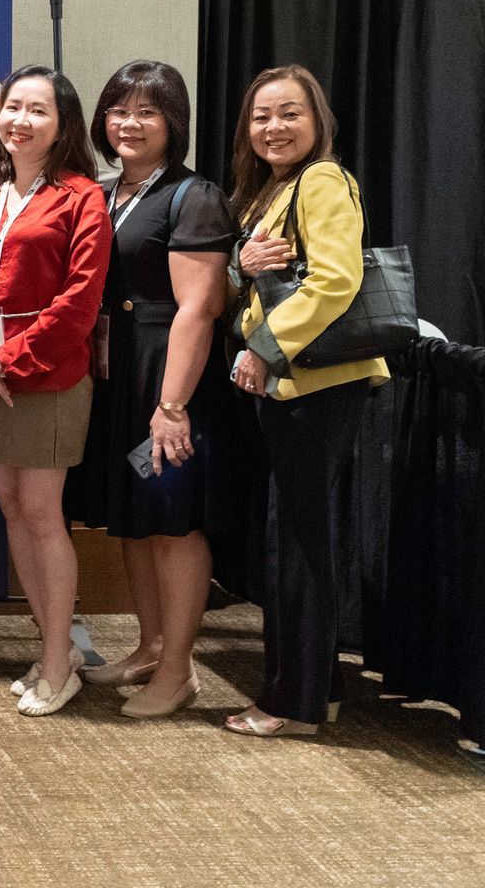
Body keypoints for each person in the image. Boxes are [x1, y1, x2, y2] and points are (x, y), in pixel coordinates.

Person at [222, 65, 389, 738]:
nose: (275, 127)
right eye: (262, 116)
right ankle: (320, 690)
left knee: (296, 543)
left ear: (318, 120)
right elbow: (269, 279)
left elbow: (336, 283)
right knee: (297, 537)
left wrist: (263, 347)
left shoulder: (322, 180)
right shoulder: (272, 191)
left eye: (290, 113)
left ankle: (296, 705)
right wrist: (244, 266)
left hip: (316, 385)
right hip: (296, 385)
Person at [67, 61, 234, 719]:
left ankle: (178, 670)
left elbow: (199, 307)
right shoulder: (104, 191)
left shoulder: (193, 195)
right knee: (131, 521)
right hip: (117, 374)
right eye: (118, 111)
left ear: (173, 124)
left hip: (167, 377)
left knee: (172, 523)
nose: (129, 124)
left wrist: (173, 406)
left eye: (147, 112)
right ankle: (149, 644)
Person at [0, 65, 111, 716]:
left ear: (62, 125)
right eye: (13, 107)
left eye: (38, 110)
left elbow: (79, 302)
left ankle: (59, 660)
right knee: (11, 507)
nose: (21, 120)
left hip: (48, 375)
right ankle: (51, 650)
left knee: (43, 512)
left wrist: (6, 360)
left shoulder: (81, 197)